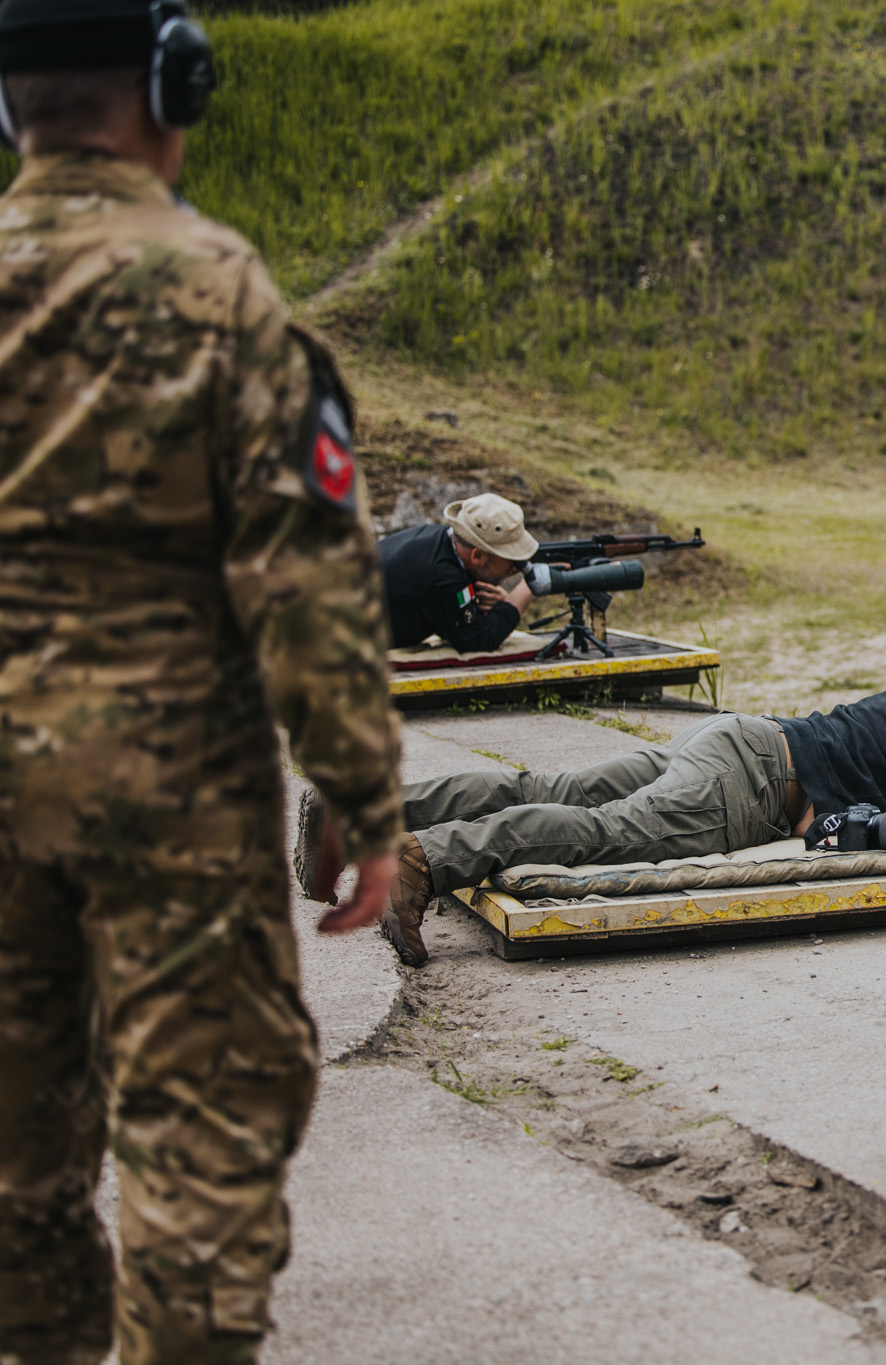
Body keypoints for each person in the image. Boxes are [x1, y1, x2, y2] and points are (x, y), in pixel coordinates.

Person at [0, 3, 407, 1360]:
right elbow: (306, 565)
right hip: (175, 798)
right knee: (199, 1170)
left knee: (13, 1192)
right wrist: (357, 789)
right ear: (173, 88)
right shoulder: (219, 287)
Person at [297, 602, 886, 966]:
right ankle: (424, 857)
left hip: (740, 739)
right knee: (599, 834)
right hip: (751, 786)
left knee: (552, 783)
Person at [378, 492, 538, 653]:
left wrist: (498, 607)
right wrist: (528, 587)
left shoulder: (441, 542)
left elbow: (451, 622)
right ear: (477, 556)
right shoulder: (440, 575)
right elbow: (478, 641)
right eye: (512, 558)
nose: (517, 567)